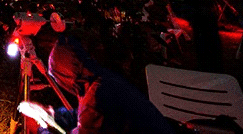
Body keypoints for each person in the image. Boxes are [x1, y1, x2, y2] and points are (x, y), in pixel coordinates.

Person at [47, 34, 176, 134]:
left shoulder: (96, 98)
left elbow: (91, 121)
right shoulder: (100, 80)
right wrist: (59, 115)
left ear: (66, 74)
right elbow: (85, 116)